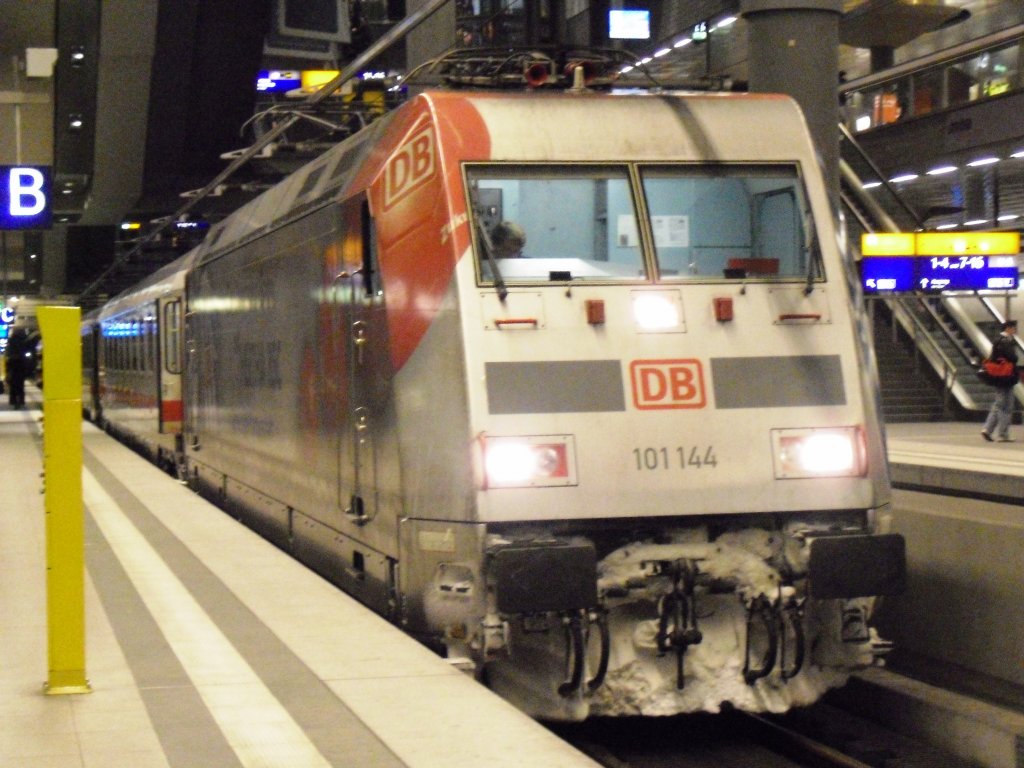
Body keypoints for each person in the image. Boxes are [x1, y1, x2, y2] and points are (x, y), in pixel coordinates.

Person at [981, 319, 1019, 442]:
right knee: (1006, 405)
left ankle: (987, 429)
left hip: (998, 375)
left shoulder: (997, 341)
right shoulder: (1005, 341)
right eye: (1013, 328)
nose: (1015, 330)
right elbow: (1013, 358)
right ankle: (1003, 434)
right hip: (1006, 376)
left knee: (999, 403)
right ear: (1008, 328)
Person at [5, 326, 29, 409]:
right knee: (21, 384)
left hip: (12, 363)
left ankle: (14, 400)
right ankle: (21, 400)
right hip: (21, 363)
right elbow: (27, 351)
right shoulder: (25, 340)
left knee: (13, 384)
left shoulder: (11, 340)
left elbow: (8, 352)